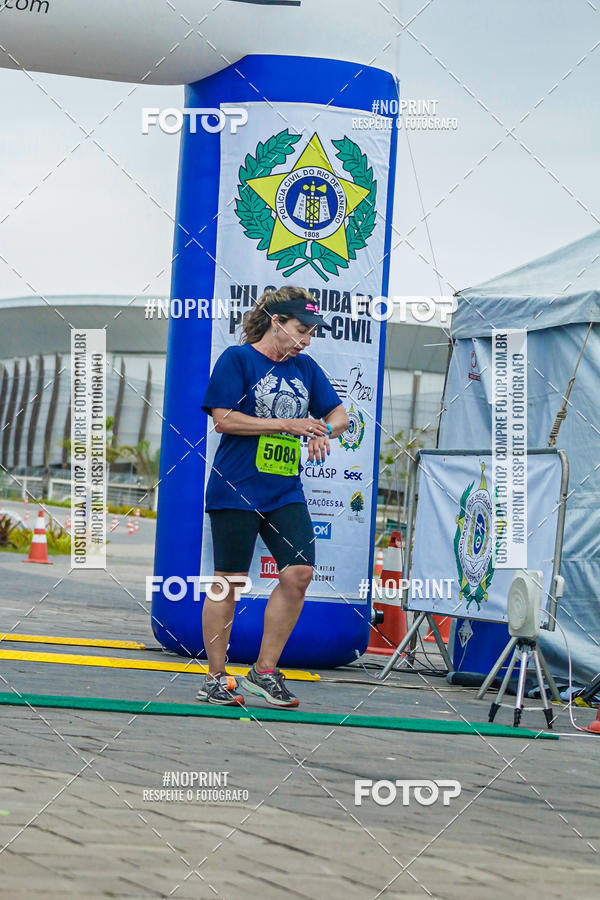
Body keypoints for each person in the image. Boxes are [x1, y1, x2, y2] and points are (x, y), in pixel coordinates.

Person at [196, 286, 349, 707]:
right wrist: (287, 425)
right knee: (229, 582)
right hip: (236, 486)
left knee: (298, 573)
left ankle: (264, 671)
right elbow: (224, 420)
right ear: (276, 322)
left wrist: (322, 431)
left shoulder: (306, 367)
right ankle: (214, 677)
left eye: (313, 332)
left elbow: (340, 416)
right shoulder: (238, 359)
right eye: (302, 330)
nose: (307, 340)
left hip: (284, 490)